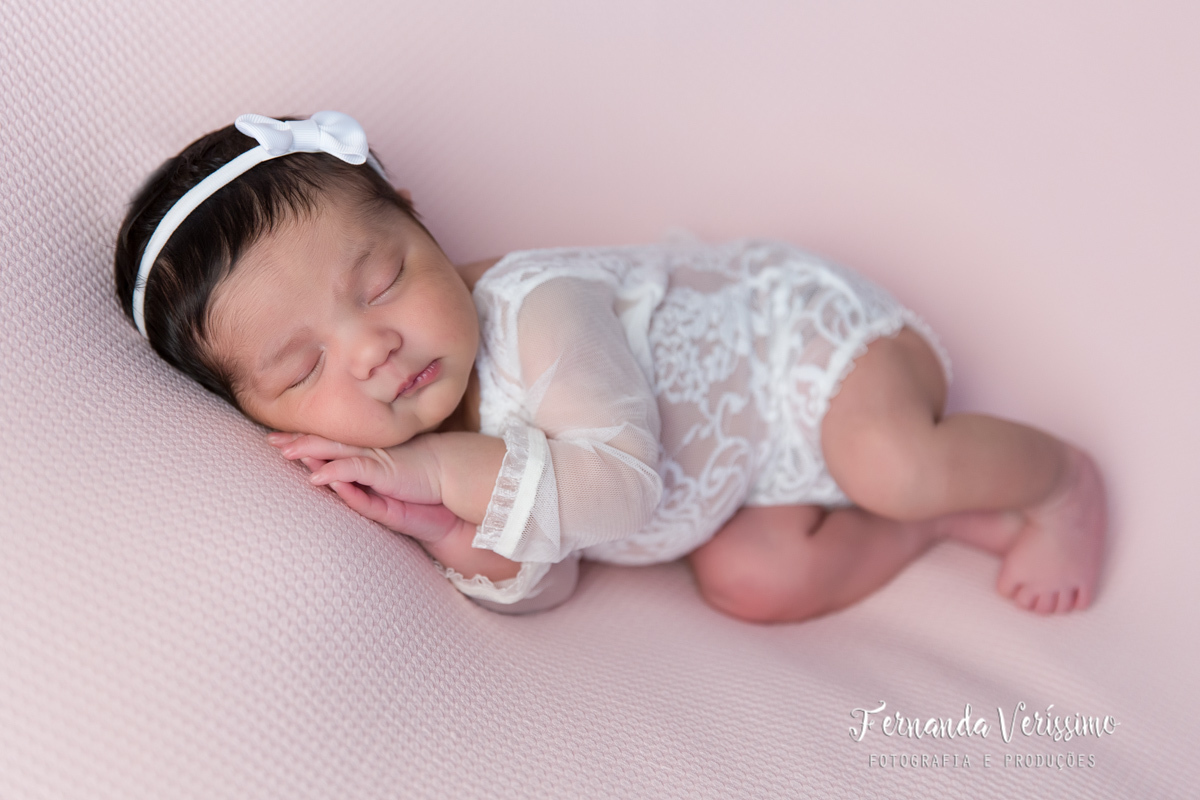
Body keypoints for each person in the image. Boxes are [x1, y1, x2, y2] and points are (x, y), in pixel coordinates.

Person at [113, 111, 1106, 620]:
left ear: (418, 220)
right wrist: (439, 528)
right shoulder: (413, 443)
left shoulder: (541, 309)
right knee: (754, 584)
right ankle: (935, 528)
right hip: (733, 473)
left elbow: (621, 493)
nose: (372, 348)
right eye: (302, 369)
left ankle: (1059, 480)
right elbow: (550, 576)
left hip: (797, 350)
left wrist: (442, 474)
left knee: (893, 460)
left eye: (382, 280)